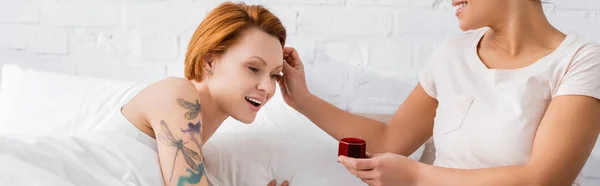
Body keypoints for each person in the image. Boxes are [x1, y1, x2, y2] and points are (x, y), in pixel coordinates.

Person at [278, 0, 600, 185]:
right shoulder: (451, 53)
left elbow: (542, 179)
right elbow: (390, 140)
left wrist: (417, 176)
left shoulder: (579, 60)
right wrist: (302, 100)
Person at [112, 2, 289, 186]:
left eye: (275, 75)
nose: (267, 87)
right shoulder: (176, 92)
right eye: (253, 68)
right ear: (209, 61)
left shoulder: (198, 169)